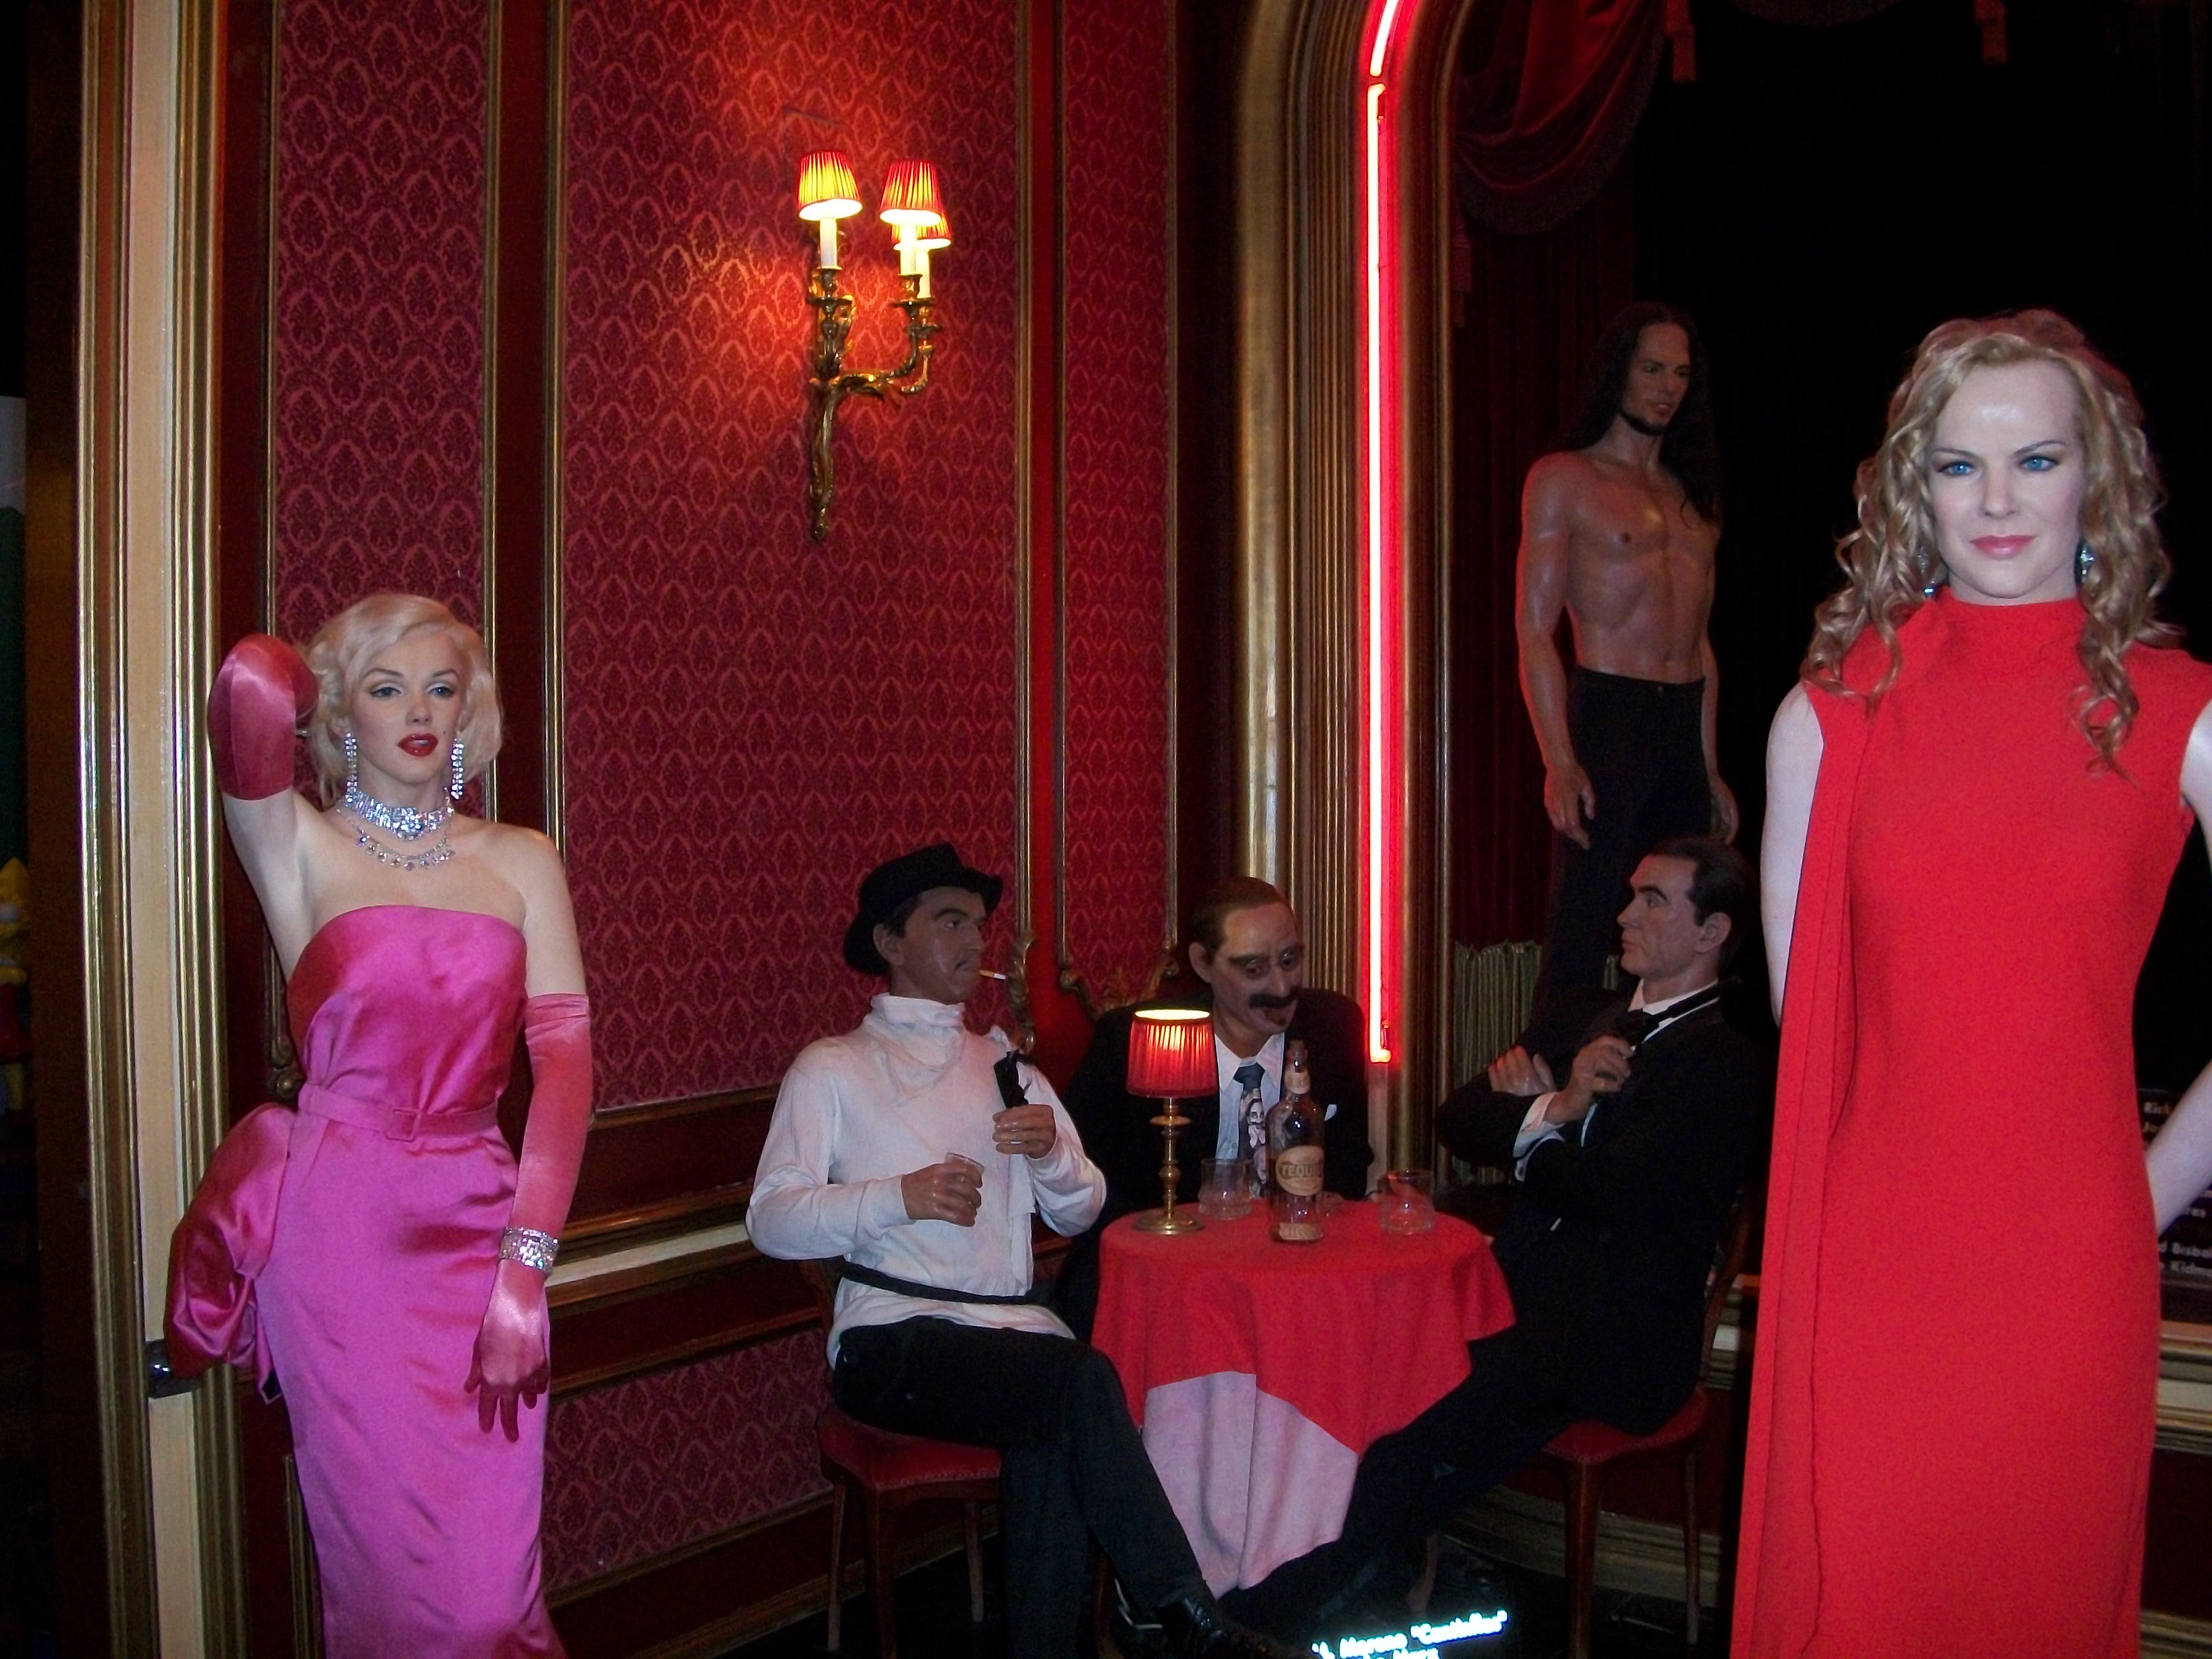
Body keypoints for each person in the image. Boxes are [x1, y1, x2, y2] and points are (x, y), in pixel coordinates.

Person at [1737, 310, 2212, 1657]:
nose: (1996, 501)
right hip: (1870, 1269)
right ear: (1913, 488)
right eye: (1957, 466)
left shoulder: (2179, 712)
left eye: (2034, 460)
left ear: (2093, 477)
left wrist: (2137, 1195)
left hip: (2068, 1271)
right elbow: (1808, 1028)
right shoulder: (1825, 714)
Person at [164, 595, 591, 1657]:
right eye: (386, 688)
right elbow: (247, 684)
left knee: (492, 1595)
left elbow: (566, 1068)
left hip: (481, 1222)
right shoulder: (295, 842)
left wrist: (525, 1266)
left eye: (442, 688)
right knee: (392, 1584)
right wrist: (318, 683)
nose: (419, 711)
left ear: (471, 709)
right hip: (342, 1238)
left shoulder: (522, 857)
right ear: (342, 710)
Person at [745, 843, 1297, 1659]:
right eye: (949, 923)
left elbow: (1083, 1211)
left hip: (1012, 1339)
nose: (974, 941)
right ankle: (1185, 1612)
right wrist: (896, 1197)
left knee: (1053, 1423)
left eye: (977, 924)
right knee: (1075, 1380)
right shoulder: (832, 1069)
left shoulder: (1008, 1069)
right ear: (891, 942)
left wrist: (1051, 1159)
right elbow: (771, 1220)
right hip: (889, 1338)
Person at [1221, 839, 1761, 1639]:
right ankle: (1353, 1584)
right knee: (1371, 1369)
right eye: (1630, 894)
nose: (1624, 914)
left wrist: (1538, 1135)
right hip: (1522, 1295)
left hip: (1622, 1330)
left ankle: (1275, 1612)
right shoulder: (1585, 1016)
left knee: (1420, 1415)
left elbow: (1622, 1194)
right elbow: (1462, 1118)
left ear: (1712, 931)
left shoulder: (1726, 1062)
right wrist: (1557, 1109)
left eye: (1652, 900)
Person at [1518, 301, 1736, 1016]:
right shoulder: (1566, 477)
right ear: (1619, 372)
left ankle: (1662, 1058)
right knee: (1585, 917)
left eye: (1679, 373)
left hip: (1680, 716)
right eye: (1651, 369)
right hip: (1609, 710)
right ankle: (1557, 1069)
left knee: (1682, 913)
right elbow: (1533, 628)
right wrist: (1558, 759)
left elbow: (1699, 639)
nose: (1666, 387)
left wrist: (1708, 764)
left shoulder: (1689, 495)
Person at [1055, 877, 1371, 1338]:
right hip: (1165, 1275)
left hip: (1294, 1269)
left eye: (1290, 960)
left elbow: (1350, 1161)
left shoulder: (1332, 1026)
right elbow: (1082, 1177)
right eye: (1253, 968)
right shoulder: (1137, 1040)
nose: (1282, 985)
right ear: (1203, 963)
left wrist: (1329, 1201)